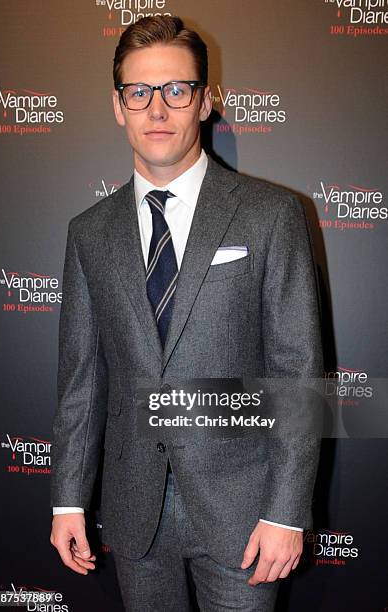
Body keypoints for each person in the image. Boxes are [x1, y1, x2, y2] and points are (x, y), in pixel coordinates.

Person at [50, 15, 323, 611]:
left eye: (176, 90)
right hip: (133, 509)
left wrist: (285, 510)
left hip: (245, 512)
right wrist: (68, 499)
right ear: (118, 105)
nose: (157, 109)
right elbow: (81, 379)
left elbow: (297, 374)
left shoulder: (271, 215)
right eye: (138, 92)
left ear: (204, 101)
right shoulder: (88, 234)